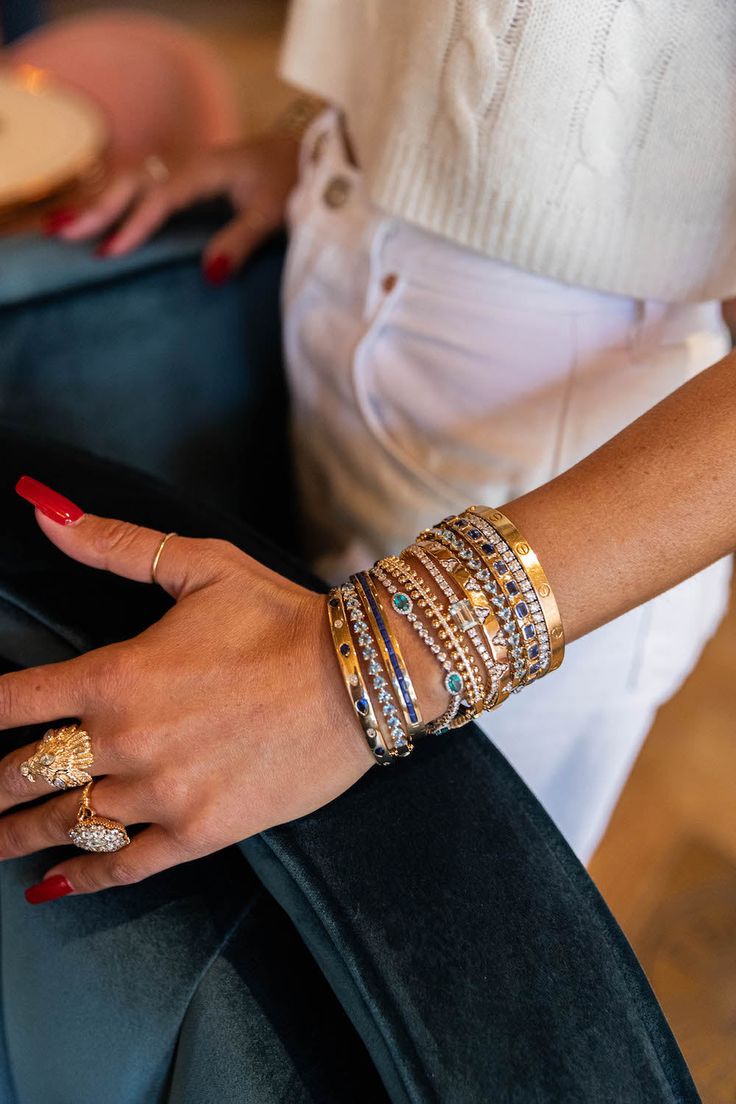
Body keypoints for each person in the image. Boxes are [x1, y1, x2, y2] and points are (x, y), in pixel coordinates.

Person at [39, 0, 736, 864]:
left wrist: (365, 669)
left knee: (424, 951)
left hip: (561, 514)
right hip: (332, 330)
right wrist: (351, 141)